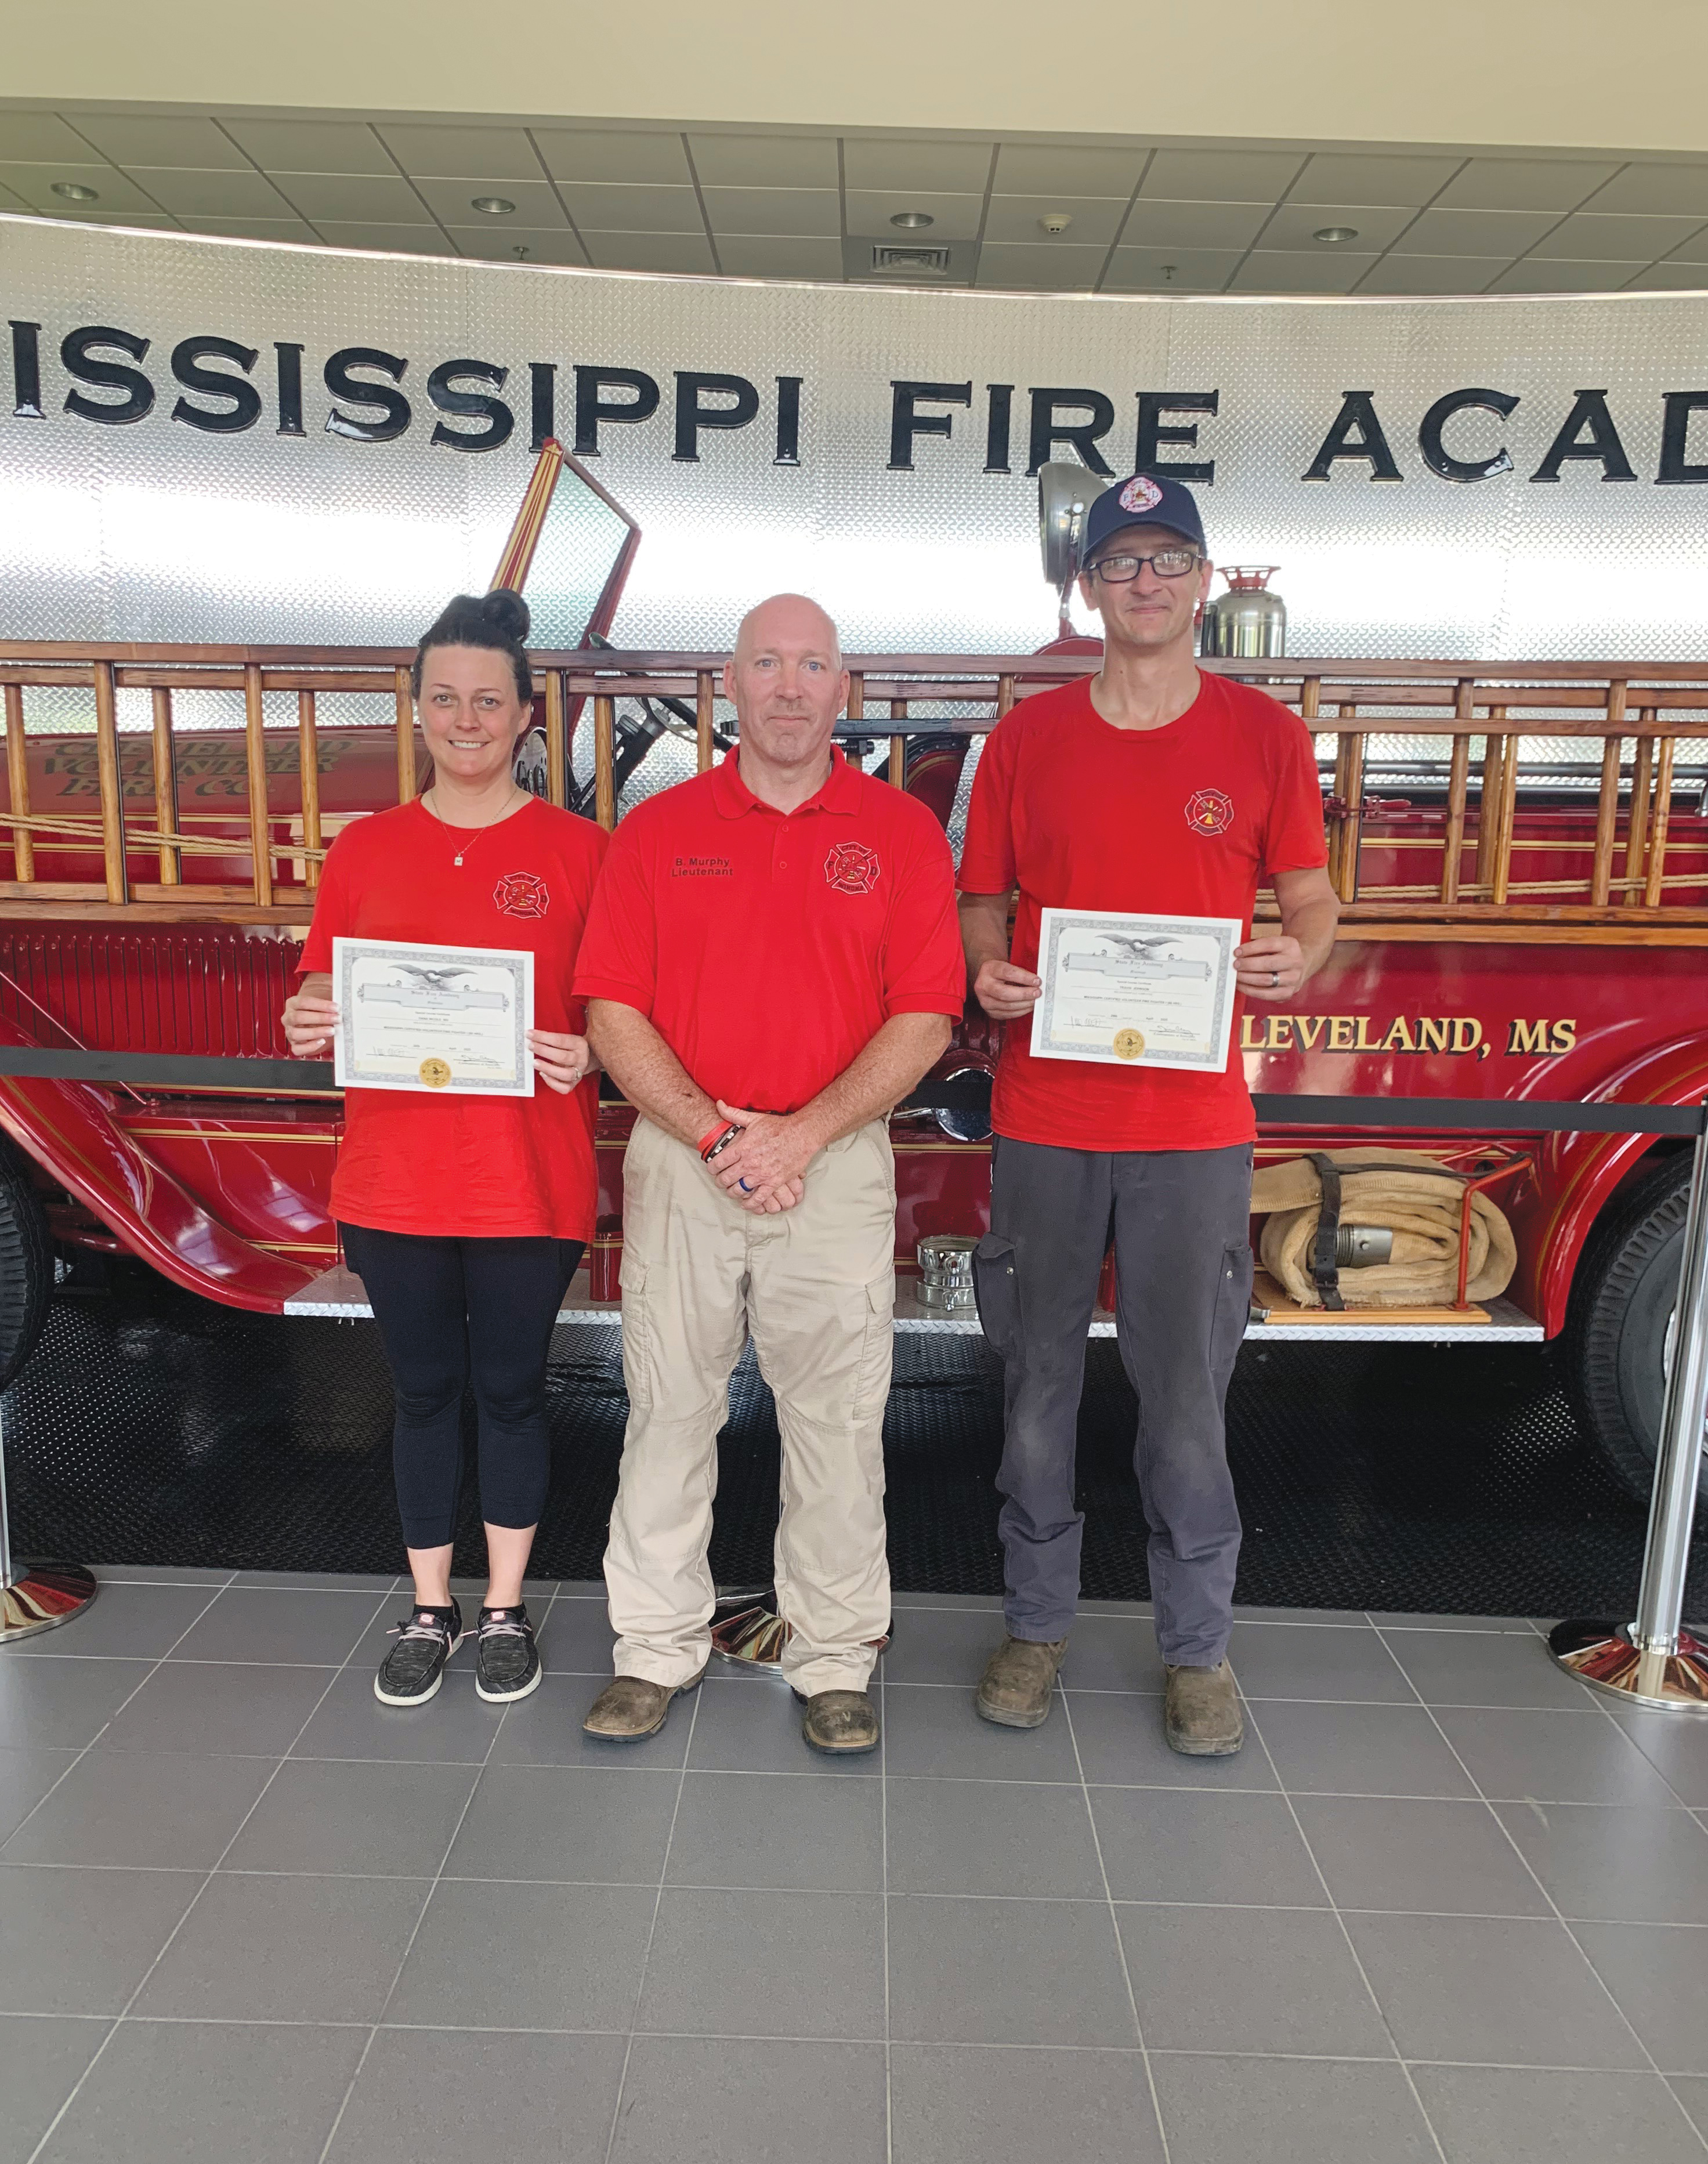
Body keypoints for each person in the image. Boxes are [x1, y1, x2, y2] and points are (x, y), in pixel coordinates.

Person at [958, 473, 1338, 1756]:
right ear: (1090, 589)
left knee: (1187, 1397)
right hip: (1046, 1113)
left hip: (1191, 1129)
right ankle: (1035, 1626)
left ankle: (1197, 1648)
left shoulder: (1263, 737)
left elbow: (1311, 897)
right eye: (1121, 563)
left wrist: (1298, 952)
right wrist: (987, 969)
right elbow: (979, 902)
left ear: (1204, 582)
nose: (1147, 583)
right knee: (1036, 1387)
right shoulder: (1028, 739)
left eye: (1170, 560)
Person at [573, 594, 965, 1754]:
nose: (790, 688)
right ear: (731, 685)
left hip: (831, 1165)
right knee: (667, 1409)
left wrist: (799, 1137)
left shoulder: (900, 834)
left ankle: (834, 1657)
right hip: (683, 1156)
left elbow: (925, 1017)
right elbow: (612, 1011)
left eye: (812, 666)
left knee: (838, 1422)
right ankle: (653, 1648)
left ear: (843, 688)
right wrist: (715, 1137)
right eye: (767, 665)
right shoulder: (656, 831)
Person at [283, 589, 607, 1709]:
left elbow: (619, 1010)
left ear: (526, 716)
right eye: (445, 699)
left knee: (511, 1393)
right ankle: (431, 1606)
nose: (467, 720)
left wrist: (590, 1053)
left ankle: (506, 1606)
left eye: (489, 701)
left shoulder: (581, 851)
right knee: (422, 1395)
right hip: (397, 1179)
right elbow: (324, 989)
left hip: (527, 1177)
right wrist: (308, 1018)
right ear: (417, 709)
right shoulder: (366, 849)